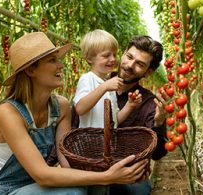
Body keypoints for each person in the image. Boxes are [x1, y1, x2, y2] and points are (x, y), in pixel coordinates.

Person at [0, 32, 149, 195]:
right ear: (31, 70)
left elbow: (66, 161)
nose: (61, 65)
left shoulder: (60, 106)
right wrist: (106, 177)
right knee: (72, 192)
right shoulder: (9, 112)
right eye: (52, 60)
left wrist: (101, 174)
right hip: (3, 190)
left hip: (35, 187)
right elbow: (43, 175)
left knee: (87, 187)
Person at [71, 35, 168, 195]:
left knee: (138, 189)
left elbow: (157, 154)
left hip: (124, 171)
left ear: (148, 72)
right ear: (123, 54)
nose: (130, 65)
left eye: (140, 64)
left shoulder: (149, 102)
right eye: (129, 57)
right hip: (90, 159)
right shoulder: (97, 83)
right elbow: (74, 121)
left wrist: (158, 123)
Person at [73, 29, 141, 129]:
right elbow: (80, 109)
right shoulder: (87, 79)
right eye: (106, 55)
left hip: (108, 143)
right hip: (90, 141)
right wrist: (104, 87)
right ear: (89, 58)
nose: (113, 59)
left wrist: (129, 105)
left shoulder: (108, 85)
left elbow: (114, 120)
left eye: (114, 54)